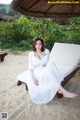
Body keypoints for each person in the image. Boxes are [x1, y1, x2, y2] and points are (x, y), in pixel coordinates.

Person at [17, 37, 78, 104]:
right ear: (34, 45)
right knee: (49, 72)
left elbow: (48, 63)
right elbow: (31, 67)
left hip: (46, 68)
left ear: (42, 44)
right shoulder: (31, 54)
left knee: (51, 64)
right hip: (37, 70)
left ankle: (62, 91)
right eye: (36, 44)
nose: (38, 46)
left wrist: (40, 54)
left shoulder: (46, 51)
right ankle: (63, 91)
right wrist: (33, 78)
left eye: (40, 44)